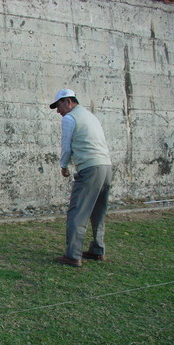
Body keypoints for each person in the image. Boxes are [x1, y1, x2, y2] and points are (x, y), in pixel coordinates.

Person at [49, 89, 113, 267]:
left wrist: (63, 165)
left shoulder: (70, 118)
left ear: (68, 101)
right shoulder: (90, 116)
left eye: (59, 105)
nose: (58, 111)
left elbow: (66, 145)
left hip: (90, 168)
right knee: (98, 211)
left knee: (77, 211)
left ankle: (73, 255)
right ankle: (97, 249)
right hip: (106, 166)